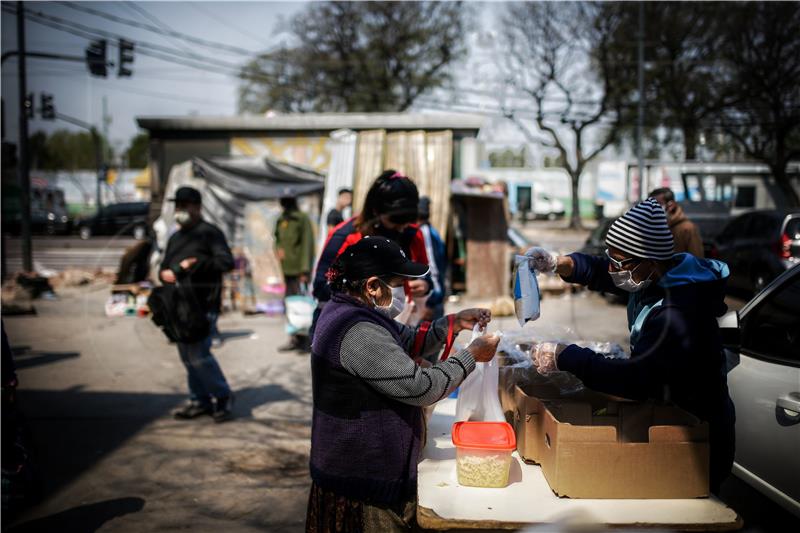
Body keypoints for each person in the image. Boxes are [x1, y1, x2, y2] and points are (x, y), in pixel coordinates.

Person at [527, 197, 735, 494]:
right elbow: (602, 271)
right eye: (611, 258)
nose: (613, 268)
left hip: (697, 439)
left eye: (619, 262)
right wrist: (559, 263)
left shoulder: (678, 312)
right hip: (667, 420)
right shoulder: (655, 275)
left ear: (649, 261)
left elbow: (635, 381)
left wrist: (566, 356)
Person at [306, 236, 500, 533]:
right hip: (363, 481)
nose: (403, 292)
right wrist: (470, 356)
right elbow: (422, 387)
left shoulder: (354, 312)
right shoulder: (358, 331)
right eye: (398, 284)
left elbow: (406, 339)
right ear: (372, 286)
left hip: (362, 470)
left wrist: (453, 322)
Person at [311, 170, 432, 336]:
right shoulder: (346, 237)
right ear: (376, 210)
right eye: (395, 220)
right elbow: (321, 285)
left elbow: (425, 275)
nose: (402, 227)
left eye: (407, 220)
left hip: (398, 326)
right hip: (345, 329)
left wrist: (424, 286)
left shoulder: (412, 235)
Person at [159, 186, 235, 422]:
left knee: (199, 355)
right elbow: (164, 267)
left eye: (184, 205)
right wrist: (165, 273)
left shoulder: (210, 233)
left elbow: (226, 262)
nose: (179, 209)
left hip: (203, 304)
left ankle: (223, 396)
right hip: (179, 307)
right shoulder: (175, 237)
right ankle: (199, 400)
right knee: (187, 356)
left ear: (197, 207)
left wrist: (195, 263)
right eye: (177, 205)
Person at [274, 196, 316, 352]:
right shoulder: (281, 219)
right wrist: (277, 249)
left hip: (299, 270)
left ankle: (305, 340)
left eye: (287, 202)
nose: (284, 205)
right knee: (290, 305)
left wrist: (305, 270)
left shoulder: (302, 219)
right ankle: (293, 338)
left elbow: (307, 244)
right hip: (287, 269)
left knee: (301, 305)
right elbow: (277, 238)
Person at [649, 187, 704, 257]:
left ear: (670, 205)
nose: (652, 208)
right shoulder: (650, 226)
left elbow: (697, 259)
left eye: (657, 204)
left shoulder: (688, 228)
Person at [417, 197, 447, 321]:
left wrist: (430, 300)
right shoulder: (432, 232)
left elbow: (432, 266)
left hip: (430, 299)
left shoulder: (425, 233)